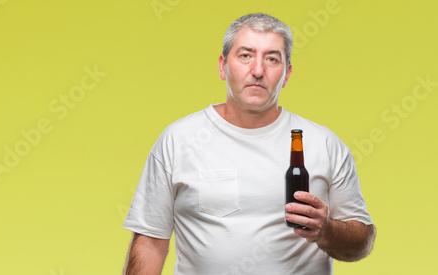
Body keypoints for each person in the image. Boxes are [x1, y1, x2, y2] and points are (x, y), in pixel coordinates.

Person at [122, 13, 375, 275]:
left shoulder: (324, 144)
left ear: (286, 74)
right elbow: (150, 244)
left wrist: (327, 231)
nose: (257, 70)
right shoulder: (179, 140)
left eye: (272, 59)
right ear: (223, 66)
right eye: (245, 55)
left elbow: (361, 245)